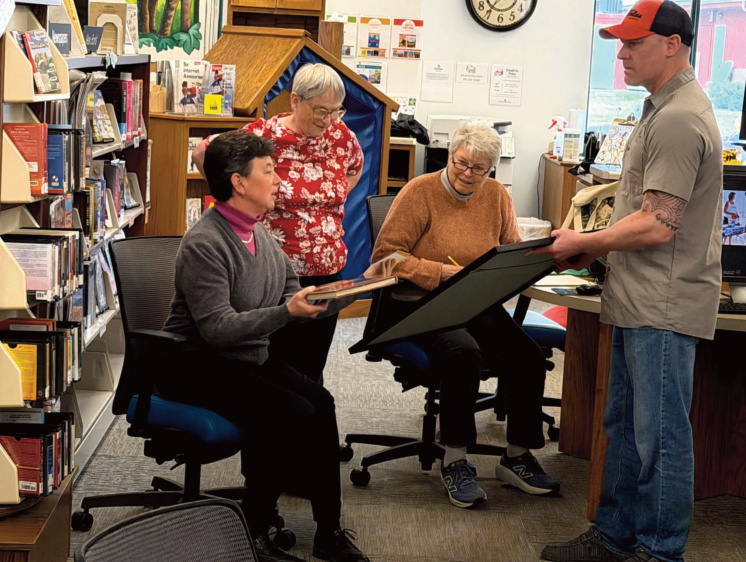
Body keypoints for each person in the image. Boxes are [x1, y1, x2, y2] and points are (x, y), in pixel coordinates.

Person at [536, 2, 723, 561]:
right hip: (637, 297)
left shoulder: (678, 117)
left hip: (663, 305)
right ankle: (615, 537)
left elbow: (660, 223)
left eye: (633, 42)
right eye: (620, 42)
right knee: (622, 424)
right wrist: (595, 253)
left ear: (672, 44)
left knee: (659, 437)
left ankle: (660, 552)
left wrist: (585, 242)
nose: (620, 53)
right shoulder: (657, 108)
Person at [162, 130, 374, 562]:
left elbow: (296, 298)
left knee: (321, 401)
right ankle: (254, 531)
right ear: (239, 183)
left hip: (246, 358)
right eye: (269, 170)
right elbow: (217, 329)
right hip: (197, 366)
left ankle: (328, 531)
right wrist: (288, 313)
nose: (279, 180)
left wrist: (355, 289)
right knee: (290, 412)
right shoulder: (205, 242)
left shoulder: (261, 235)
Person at [370, 121, 560, 509]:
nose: (469, 175)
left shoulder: (495, 195)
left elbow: (510, 248)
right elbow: (385, 257)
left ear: (492, 168)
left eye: (480, 169)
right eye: (461, 164)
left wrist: (534, 262)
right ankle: (455, 460)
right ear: (450, 155)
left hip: (475, 299)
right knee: (463, 355)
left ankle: (516, 456)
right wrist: (441, 272)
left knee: (527, 356)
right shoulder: (419, 193)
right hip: (421, 300)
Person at [193, 63, 364, 385]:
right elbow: (204, 152)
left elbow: (354, 167)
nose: (327, 120)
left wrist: (327, 202)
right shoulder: (263, 136)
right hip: (274, 270)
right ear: (296, 100)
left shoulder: (342, 136)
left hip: (327, 265)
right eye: (319, 110)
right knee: (275, 368)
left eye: (335, 111)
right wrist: (235, 204)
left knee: (312, 370)